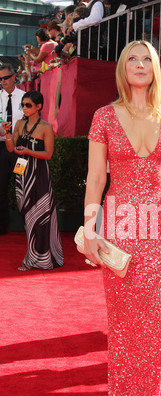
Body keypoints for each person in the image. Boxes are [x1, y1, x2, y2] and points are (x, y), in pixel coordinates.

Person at [83, 40, 161, 396]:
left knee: (160, 323)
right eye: (133, 59)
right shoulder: (104, 117)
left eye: (147, 59)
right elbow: (96, 178)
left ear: (156, 68)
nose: (140, 65)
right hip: (121, 229)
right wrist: (90, 229)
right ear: (122, 68)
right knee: (126, 325)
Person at [2, 91, 64, 271]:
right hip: (22, 175)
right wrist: (7, 133)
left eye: (28, 104)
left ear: (39, 106)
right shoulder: (20, 124)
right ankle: (32, 256)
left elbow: (48, 154)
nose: (24, 108)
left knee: (41, 216)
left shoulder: (45, 127)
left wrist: (28, 152)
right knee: (27, 216)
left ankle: (39, 258)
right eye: (23, 104)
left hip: (39, 174)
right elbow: (11, 148)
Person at [0, 64, 25, 235]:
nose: (3, 82)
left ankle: (25, 223)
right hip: (1, 148)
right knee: (0, 186)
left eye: (6, 78)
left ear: (14, 76)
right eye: (0, 79)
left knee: (22, 184)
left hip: (20, 149)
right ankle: (2, 225)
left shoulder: (25, 97)